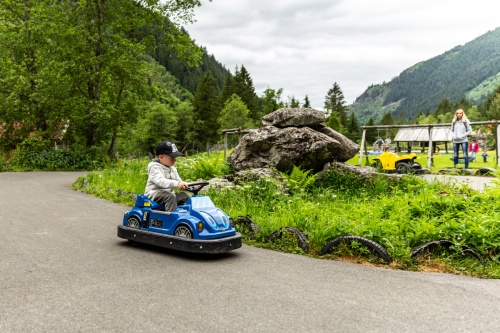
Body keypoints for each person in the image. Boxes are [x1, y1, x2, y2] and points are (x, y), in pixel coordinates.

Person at [145, 140, 191, 212]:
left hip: (168, 194)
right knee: (170, 196)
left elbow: (179, 182)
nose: (174, 160)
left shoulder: (172, 169)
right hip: (154, 194)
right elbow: (161, 181)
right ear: (161, 157)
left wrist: (191, 186)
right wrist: (177, 184)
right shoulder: (154, 168)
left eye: (175, 157)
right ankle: (171, 219)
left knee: (185, 196)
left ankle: (186, 216)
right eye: (171, 157)